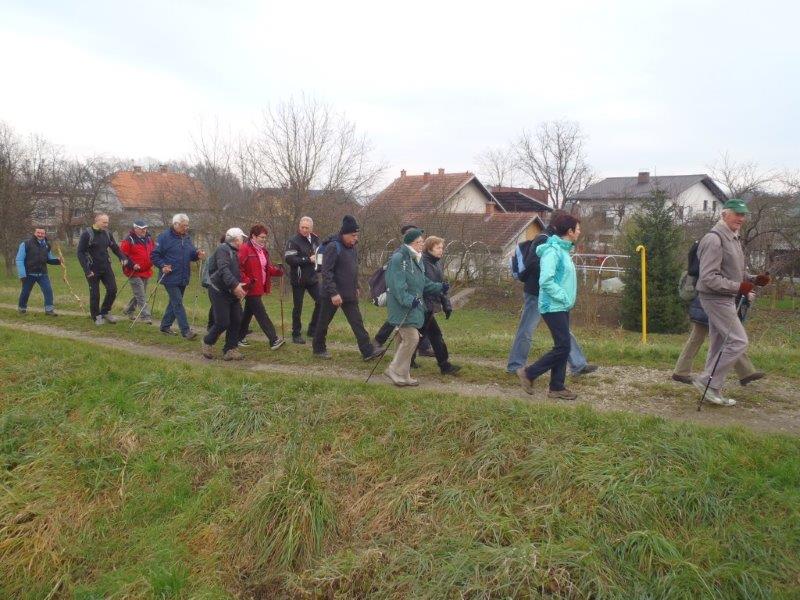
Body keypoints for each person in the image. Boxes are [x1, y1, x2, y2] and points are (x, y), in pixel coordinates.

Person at [693, 199, 770, 406]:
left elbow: (733, 272)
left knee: (719, 343)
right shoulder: (714, 239)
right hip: (715, 298)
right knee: (738, 341)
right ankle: (707, 381)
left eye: (743, 215)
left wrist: (753, 279)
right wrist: (739, 287)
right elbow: (708, 278)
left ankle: (711, 389)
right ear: (724, 214)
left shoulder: (732, 237)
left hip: (725, 297)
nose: (741, 218)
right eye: (737, 214)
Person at [506, 219, 597, 376]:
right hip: (537, 292)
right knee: (527, 329)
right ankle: (515, 366)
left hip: (549, 293)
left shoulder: (555, 240)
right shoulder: (544, 239)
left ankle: (578, 365)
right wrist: (552, 276)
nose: (577, 231)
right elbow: (532, 264)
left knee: (562, 332)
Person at [516, 213, 582, 400]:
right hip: (552, 305)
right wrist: (562, 296)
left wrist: (566, 300)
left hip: (561, 305)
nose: (579, 232)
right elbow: (546, 280)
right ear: (569, 231)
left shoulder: (563, 250)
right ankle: (529, 373)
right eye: (577, 229)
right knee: (563, 346)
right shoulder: (553, 251)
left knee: (563, 345)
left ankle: (557, 387)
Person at [312, 215, 382, 361]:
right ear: (344, 234)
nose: (356, 238)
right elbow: (326, 272)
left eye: (356, 235)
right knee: (323, 322)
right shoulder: (333, 247)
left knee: (357, 322)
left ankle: (367, 351)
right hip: (332, 294)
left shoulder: (352, 248)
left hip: (349, 293)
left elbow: (353, 270)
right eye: (353, 235)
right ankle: (318, 348)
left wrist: (356, 286)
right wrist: (333, 293)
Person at [384, 228, 447, 386]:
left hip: (414, 306)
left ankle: (404, 375)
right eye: (419, 242)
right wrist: (408, 300)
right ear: (411, 243)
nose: (422, 245)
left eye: (422, 242)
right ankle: (393, 369)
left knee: (403, 340)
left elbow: (423, 282)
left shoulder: (416, 259)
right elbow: (396, 285)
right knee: (412, 338)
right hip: (402, 306)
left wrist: (439, 287)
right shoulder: (399, 258)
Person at [672, 294, 765, 386]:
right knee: (727, 339)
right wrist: (745, 293)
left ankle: (746, 372)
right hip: (714, 305)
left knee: (723, 338)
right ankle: (681, 371)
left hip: (709, 304)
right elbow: (724, 286)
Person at [151, 213, 206, 339]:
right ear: (175, 224)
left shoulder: (186, 237)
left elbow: (191, 254)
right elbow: (154, 255)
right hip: (169, 275)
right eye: (183, 225)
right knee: (178, 303)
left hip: (183, 276)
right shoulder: (164, 237)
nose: (186, 228)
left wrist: (198, 254)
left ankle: (165, 326)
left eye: (187, 225)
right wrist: (162, 265)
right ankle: (186, 331)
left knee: (174, 302)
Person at [76, 213, 131, 324]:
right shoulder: (87, 234)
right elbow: (80, 252)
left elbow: (115, 248)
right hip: (92, 269)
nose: (106, 224)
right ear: (97, 221)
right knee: (95, 294)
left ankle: (105, 312)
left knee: (112, 290)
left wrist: (122, 257)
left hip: (106, 266)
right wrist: (87, 270)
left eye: (107, 222)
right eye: (104, 222)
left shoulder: (107, 233)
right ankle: (96, 317)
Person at [202, 228, 247, 360]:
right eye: (242, 238)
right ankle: (207, 341)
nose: (243, 241)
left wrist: (240, 285)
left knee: (237, 319)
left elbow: (236, 271)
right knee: (223, 322)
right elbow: (223, 270)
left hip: (231, 291)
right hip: (219, 291)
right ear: (236, 240)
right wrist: (235, 285)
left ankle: (230, 349)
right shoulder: (223, 249)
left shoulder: (235, 251)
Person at [238, 224, 285, 350]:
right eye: (261, 237)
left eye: (265, 237)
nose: (264, 240)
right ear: (253, 236)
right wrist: (246, 280)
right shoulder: (245, 249)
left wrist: (277, 271)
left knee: (248, 313)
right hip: (250, 287)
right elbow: (238, 268)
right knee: (261, 314)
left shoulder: (262, 250)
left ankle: (238, 337)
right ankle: (273, 339)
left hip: (259, 287)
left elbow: (266, 267)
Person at [419, 235, 460, 375]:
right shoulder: (422, 263)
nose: (441, 250)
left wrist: (446, 304)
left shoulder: (437, 264)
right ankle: (445, 366)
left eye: (442, 247)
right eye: (438, 248)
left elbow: (442, 286)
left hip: (430, 306)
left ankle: (444, 365)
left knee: (419, 336)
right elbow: (424, 286)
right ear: (429, 248)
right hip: (423, 306)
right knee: (431, 335)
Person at [284, 216, 321, 344]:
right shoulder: (293, 241)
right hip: (298, 279)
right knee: (298, 307)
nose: (304, 230)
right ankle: (296, 334)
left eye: (307, 228)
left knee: (321, 301)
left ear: (311, 228)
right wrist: (307, 259)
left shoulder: (316, 239)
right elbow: (289, 259)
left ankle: (312, 329)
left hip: (312, 278)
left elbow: (319, 254)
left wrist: (320, 264)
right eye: (302, 227)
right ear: (299, 227)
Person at [16, 227, 62, 316]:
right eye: (38, 233)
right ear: (35, 233)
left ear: (45, 234)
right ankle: (22, 309)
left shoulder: (47, 245)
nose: (40, 235)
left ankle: (49, 310)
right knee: (25, 292)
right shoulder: (25, 244)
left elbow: (49, 259)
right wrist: (22, 274)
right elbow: (19, 260)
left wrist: (58, 261)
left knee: (48, 291)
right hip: (29, 274)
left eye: (42, 233)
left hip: (42, 273)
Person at [120, 219, 155, 324]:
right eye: (141, 229)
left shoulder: (149, 239)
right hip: (133, 271)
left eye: (145, 228)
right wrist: (132, 265)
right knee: (141, 295)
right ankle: (145, 316)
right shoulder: (129, 240)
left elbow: (154, 251)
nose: (144, 230)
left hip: (146, 270)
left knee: (140, 293)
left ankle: (129, 310)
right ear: (135, 229)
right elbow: (123, 255)